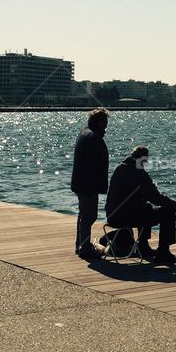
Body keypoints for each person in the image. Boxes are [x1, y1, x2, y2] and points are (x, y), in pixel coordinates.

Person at [105, 146, 176, 265]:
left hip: (112, 215)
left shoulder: (120, 168)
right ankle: (163, 253)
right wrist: (175, 205)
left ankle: (143, 246)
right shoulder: (138, 173)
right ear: (143, 159)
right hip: (124, 218)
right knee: (168, 212)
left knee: (146, 208)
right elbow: (156, 198)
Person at [69, 108, 110, 260]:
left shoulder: (84, 133)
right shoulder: (93, 138)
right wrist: (99, 185)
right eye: (104, 122)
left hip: (80, 183)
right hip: (88, 185)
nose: (106, 125)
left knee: (83, 215)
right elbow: (94, 165)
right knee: (89, 216)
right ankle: (85, 248)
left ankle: (80, 244)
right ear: (98, 122)